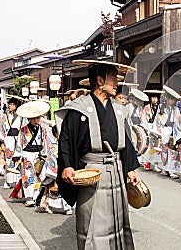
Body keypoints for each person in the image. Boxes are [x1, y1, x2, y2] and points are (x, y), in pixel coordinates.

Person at [55, 60, 140, 250]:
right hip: (91, 171)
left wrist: (131, 168)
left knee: (116, 220)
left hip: (116, 171)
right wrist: (67, 165)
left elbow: (125, 141)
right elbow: (66, 139)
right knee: (91, 220)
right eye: (113, 78)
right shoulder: (80, 107)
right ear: (100, 81)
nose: (117, 83)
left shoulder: (119, 110)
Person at [14, 100, 51, 207]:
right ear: (28, 119)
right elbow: (19, 142)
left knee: (39, 175)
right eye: (34, 118)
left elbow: (45, 142)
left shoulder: (43, 129)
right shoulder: (23, 129)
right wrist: (17, 155)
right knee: (28, 175)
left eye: (38, 118)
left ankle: (36, 196)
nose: (36, 120)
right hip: (27, 154)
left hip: (39, 154)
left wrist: (46, 154)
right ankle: (29, 197)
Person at [152, 86, 180, 179]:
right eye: (170, 99)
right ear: (167, 99)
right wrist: (158, 133)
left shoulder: (176, 109)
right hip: (165, 130)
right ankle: (164, 168)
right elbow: (158, 121)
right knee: (164, 150)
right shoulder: (161, 108)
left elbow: (179, 121)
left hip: (173, 130)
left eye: (173, 100)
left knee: (172, 151)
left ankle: (171, 170)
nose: (172, 101)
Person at [2, 96, 23, 189]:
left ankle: (16, 181)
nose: (10, 106)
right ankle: (7, 181)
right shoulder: (6, 115)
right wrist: (2, 142)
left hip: (18, 138)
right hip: (8, 139)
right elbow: (2, 129)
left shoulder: (21, 116)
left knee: (17, 160)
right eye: (10, 104)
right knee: (8, 160)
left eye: (13, 104)